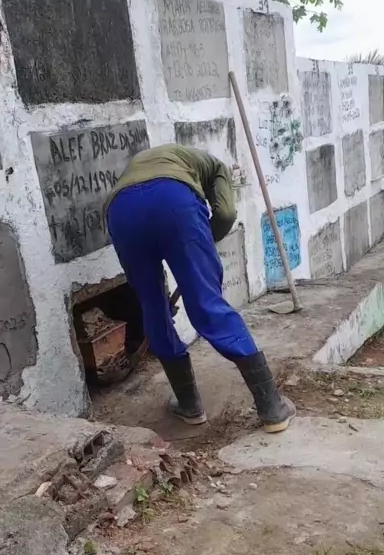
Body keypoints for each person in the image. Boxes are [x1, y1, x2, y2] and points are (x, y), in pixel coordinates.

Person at [105, 144, 295, 433]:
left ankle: (189, 405)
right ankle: (271, 408)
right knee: (208, 304)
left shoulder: (155, 162)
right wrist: (201, 245)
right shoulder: (215, 166)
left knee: (152, 306)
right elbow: (226, 214)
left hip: (121, 210)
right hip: (174, 201)